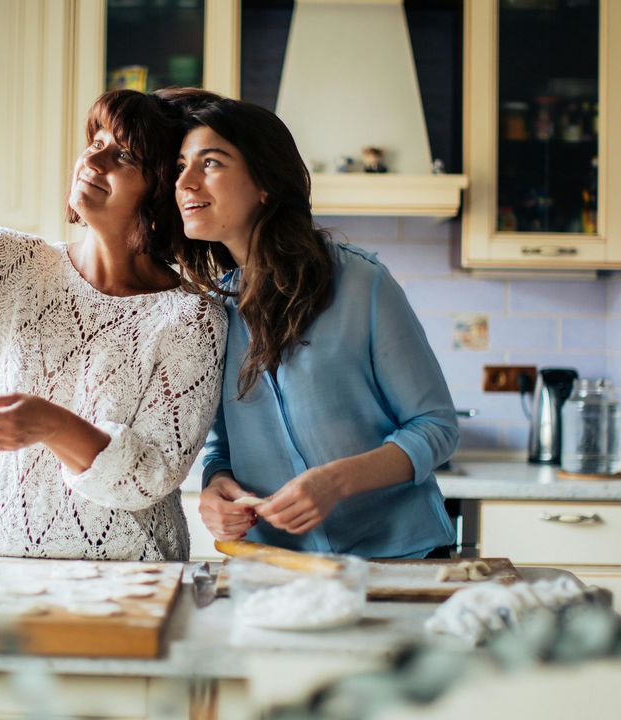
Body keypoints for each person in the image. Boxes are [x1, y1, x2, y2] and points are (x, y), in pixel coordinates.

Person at [0, 25, 227, 560]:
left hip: (130, 587)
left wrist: (51, 423)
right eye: (96, 143)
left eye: (124, 156)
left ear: (159, 196)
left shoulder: (191, 319)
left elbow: (150, 474)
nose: (94, 160)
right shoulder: (16, 269)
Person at [165, 92, 458, 558]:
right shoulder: (209, 310)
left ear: (265, 182)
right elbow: (222, 447)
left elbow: (436, 427)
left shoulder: (361, 281)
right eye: (181, 165)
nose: (185, 181)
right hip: (278, 567)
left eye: (211, 163)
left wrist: (335, 481)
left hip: (401, 559)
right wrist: (216, 487)